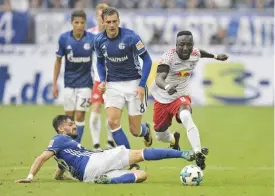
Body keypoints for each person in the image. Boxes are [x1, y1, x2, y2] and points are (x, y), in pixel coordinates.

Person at [15, 115, 197, 184]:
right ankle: (183, 154)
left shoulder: (63, 148)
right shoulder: (59, 139)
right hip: (94, 161)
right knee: (139, 155)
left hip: (87, 176)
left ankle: (106, 180)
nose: (74, 126)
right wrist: (30, 177)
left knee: (141, 175)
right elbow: (41, 157)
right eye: (70, 124)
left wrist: (59, 176)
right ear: (61, 129)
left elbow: (61, 164)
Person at [151, 30, 228, 170]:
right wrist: (167, 86)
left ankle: (198, 153)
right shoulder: (168, 57)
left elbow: (201, 53)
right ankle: (173, 138)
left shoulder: (195, 53)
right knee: (160, 135)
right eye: (181, 45)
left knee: (186, 115)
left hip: (181, 95)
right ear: (176, 45)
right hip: (162, 97)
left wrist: (216, 56)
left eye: (189, 45)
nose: (185, 48)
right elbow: (158, 78)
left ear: (193, 45)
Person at [94, 7, 153, 153]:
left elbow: (147, 61)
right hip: (113, 84)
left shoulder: (131, 37)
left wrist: (141, 85)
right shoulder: (99, 40)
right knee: (112, 122)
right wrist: (103, 80)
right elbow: (100, 62)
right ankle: (130, 159)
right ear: (103, 22)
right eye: (109, 22)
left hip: (134, 83)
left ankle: (145, 131)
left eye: (115, 21)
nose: (112, 25)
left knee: (135, 130)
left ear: (119, 21)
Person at [52, 10, 95, 143]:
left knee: (80, 115)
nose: (79, 25)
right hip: (69, 83)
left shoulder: (92, 39)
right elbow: (58, 61)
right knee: (69, 118)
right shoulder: (64, 39)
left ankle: (77, 145)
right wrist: (54, 83)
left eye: (82, 22)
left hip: (86, 84)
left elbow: (100, 60)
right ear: (71, 23)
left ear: (85, 23)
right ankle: (67, 145)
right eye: (76, 22)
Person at [87, 3, 115, 150]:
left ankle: (110, 142)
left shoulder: (114, 34)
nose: (102, 18)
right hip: (98, 79)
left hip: (114, 79)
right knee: (96, 109)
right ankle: (96, 144)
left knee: (111, 111)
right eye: (99, 16)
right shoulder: (90, 35)